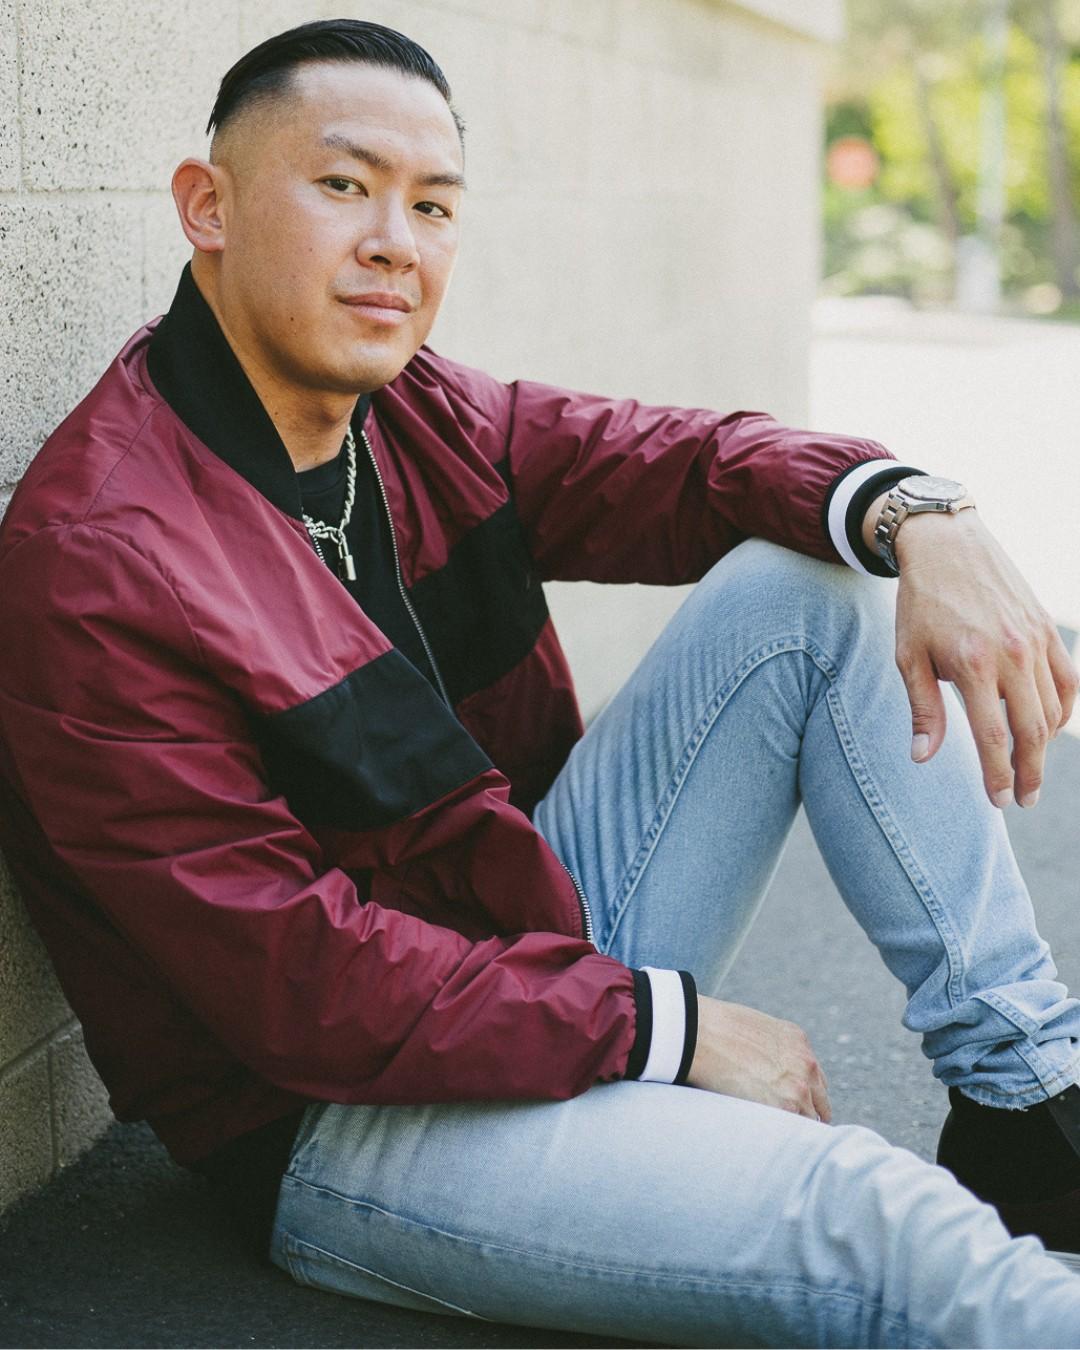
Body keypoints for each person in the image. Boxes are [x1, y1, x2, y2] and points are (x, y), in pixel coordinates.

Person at [2, 18, 1079, 1347]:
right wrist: (665, 1027)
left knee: (818, 578)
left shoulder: (412, 412)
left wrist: (923, 512)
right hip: (335, 1118)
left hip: (522, 948)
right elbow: (296, 983)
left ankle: (1035, 1108)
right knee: (880, 1223)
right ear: (205, 207)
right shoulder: (99, 557)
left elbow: (689, 463)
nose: (396, 238)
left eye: (433, 202)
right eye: (344, 186)